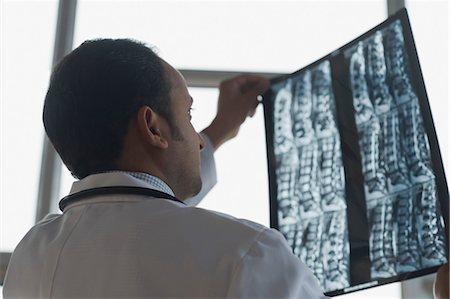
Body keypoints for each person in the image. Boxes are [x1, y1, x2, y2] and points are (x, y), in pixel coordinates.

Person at [3, 39, 327, 298]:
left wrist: (221, 128)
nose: (198, 143)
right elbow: (154, 226)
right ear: (153, 128)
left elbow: (138, 223)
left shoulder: (31, 255)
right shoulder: (249, 254)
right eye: (188, 114)